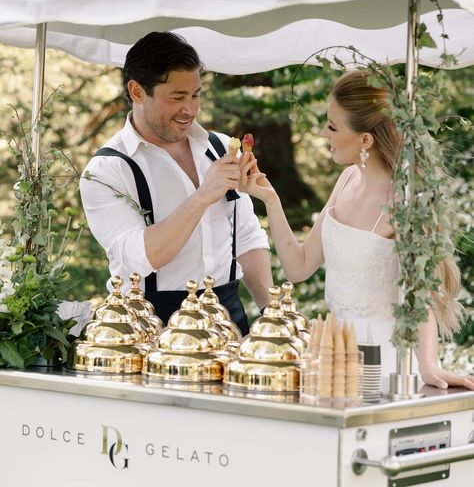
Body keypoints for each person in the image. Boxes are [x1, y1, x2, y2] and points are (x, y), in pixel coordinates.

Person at [239, 70, 474, 390]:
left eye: (333, 127)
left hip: (385, 359)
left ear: (365, 139)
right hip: (335, 354)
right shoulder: (347, 179)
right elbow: (298, 267)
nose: (323, 133)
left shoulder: (405, 199)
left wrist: (429, 365)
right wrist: (270, 199)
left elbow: (421, 297)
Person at [80, 31, 272, 335]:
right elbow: (141, 258)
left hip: (230, 321)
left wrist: (270, 315)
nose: (190, 109)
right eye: (177, 97)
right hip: (151, 329)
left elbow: (247, 238)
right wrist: (203, 195)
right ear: (137, 91)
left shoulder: (220, 148)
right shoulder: (107, 171)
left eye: (195, 95)